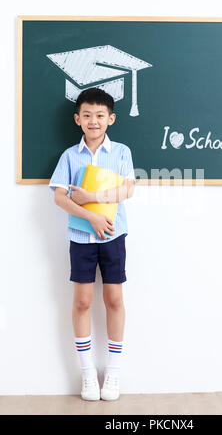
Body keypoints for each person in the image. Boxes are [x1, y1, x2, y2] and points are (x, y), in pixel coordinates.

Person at [48, 87, 136, 401]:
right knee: (82, 302)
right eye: (87, 115)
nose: (93, 121)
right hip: (81, 239)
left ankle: (112, 372)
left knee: (114, 299)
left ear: (111, 118)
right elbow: (60, 197)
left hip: (114, 236)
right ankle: (87, 374)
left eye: (100, 115)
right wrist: (91, 215)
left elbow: (127, 191)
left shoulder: (122, 152)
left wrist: (91, 198)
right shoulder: (70, 156)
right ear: (77, 119)